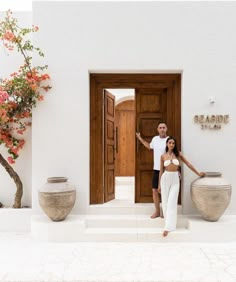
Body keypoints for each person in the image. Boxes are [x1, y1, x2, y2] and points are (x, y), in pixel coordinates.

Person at [158, 136, 205, 237]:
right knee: (165, 203)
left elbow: (188, 164)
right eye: (170, 143)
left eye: (173, 143)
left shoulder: (178, 154)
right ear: (167, 144)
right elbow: (161, 171)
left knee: (171, 202)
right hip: (165, 178)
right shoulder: (163, 156)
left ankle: (168, 228)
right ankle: (168, 224)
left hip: (175, 179)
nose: (171, 144)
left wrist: (198, 173)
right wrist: (159, 185)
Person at [136, 122, 168, 219]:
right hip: (156, 169)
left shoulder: (169, 140)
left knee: (165, 191)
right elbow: (149, 146)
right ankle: (157, 211)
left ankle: (165, 212)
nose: (162, 129)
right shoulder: (155, 139)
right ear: (157, 129)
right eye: (160, 127)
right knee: (154, 190)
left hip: (167, 170)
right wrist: (140, 138)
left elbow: (173, 154)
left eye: (164, 127)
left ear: (166, 129)